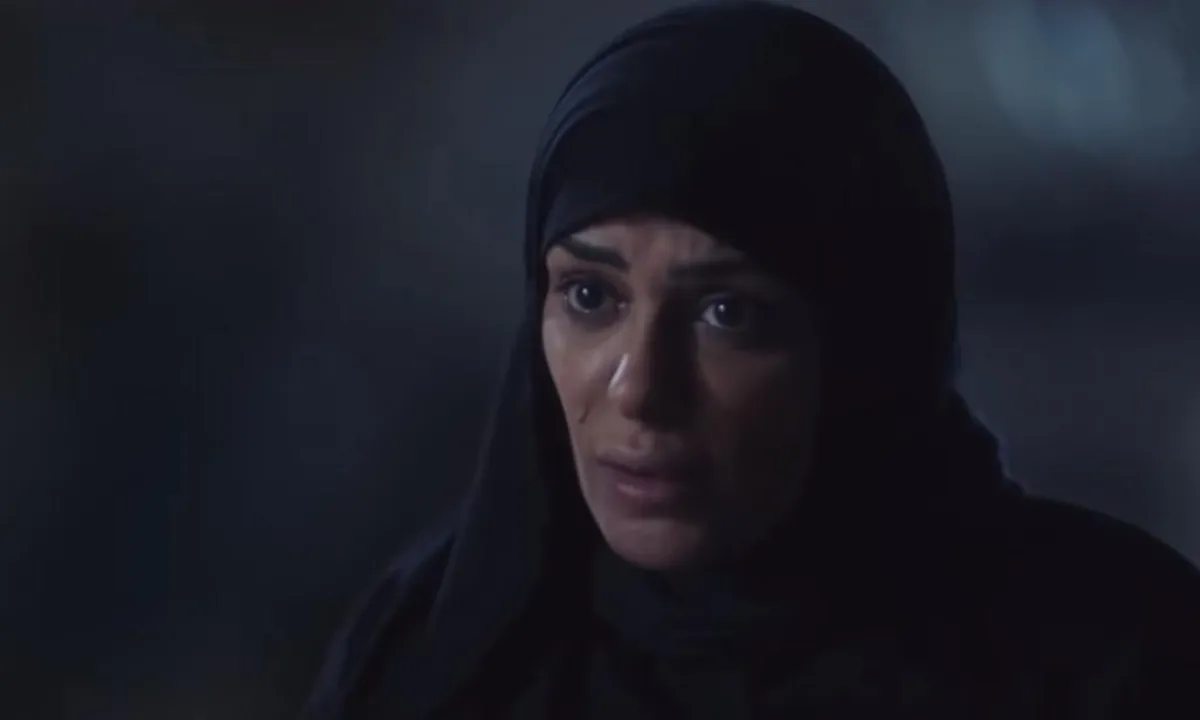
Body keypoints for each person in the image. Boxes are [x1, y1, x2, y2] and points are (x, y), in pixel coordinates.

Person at [302, 2, 1200, 717]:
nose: (640, 388)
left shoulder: (1113, 662)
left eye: (727, 313)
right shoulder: (437, 652)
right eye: (589, 297)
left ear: (866, 347)